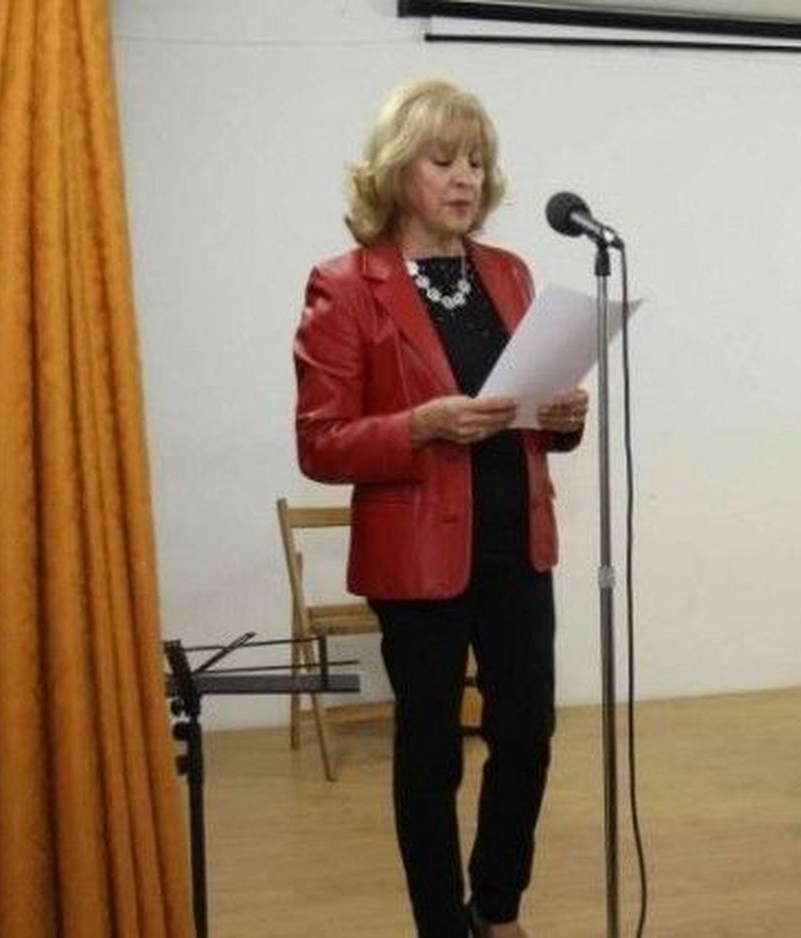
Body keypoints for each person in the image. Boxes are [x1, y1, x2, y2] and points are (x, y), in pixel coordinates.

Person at [294, 78, 586, 938]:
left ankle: (497, 908)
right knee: (431, 754)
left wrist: (560, 419)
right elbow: (322, 442)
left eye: (477, 161)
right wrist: (420, 426)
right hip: (418, 556)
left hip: (516, 540)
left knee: (527, 731)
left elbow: (526, 408)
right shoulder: (345, 286)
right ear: (395, 170)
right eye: (443, 158)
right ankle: (440, 925)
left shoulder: (509, 272)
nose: (465, 177)